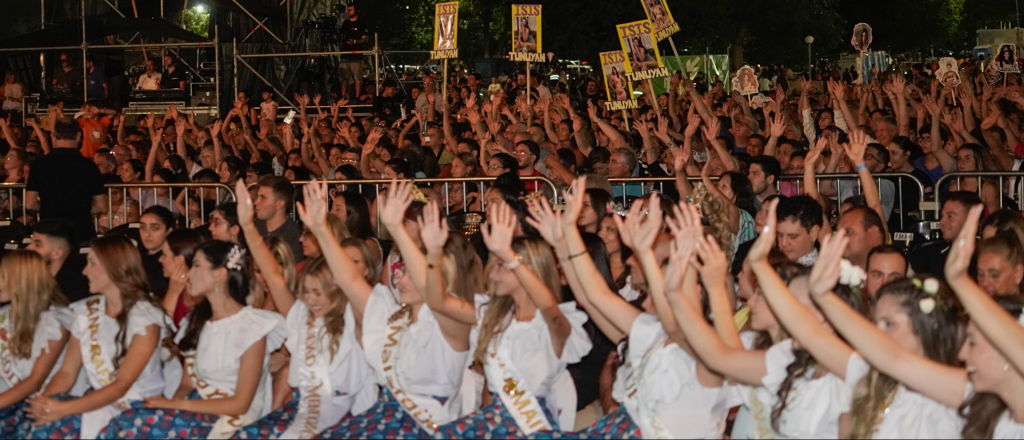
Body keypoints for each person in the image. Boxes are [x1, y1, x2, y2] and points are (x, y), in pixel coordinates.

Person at [302, 180, 468, 439]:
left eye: (409, 275)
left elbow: (434, 295)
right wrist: (321, 230)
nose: (399, 281)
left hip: (426, 428)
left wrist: (395, 229)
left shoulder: (450, 323)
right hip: (383, 418)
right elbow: (350, 280)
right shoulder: (393, 317)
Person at [100, 241, 286, 439]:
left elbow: (240, 403)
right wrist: (169, 408)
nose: (189, 274)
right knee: (129, 418)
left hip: (233, 420)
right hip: (195, 407)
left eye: (197, 266)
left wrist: (175, 406)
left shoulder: (252, 326)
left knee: (136, 426)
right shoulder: (196, 321)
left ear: (220, 274)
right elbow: (187, 384)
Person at [27, 236, 169, 439]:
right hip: (96, 401)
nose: (85, 271)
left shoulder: (145, 317)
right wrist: (45, 404)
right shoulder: (86, 312)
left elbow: (122, 385)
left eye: (92, 264)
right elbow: (67, 372)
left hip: (138, 408)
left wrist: (65, 409)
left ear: (115, 268)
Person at [0, 251, 72, 439]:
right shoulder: (4, 315)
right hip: (12, 401)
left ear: (22, 280)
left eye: (3, 276)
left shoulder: (56, 320)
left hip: (46, 404)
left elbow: (35, 382)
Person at [26, 117, 107, 242]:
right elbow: (101, 206)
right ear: (79, 135)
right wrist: (82, 209)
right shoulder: (88, 166)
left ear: (53, 135)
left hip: (50, 229)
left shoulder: (40, 165)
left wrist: (47, 208)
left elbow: (30, 203)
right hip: (81, 229)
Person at [908, 191, 983, 277]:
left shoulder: (987, 256)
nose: (942, 222)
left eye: (950, 216)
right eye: (942, 216)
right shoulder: (927, 256)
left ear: (972, 219)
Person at [26, 220, 91, 304]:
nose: (28, 248)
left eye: (37, 244)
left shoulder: (72, 291)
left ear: (57, 253)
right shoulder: (32, 281)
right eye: (31, 242)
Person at [253, 175, 305, 263]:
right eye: (257, 197)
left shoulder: (294, 237)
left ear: (279, 204)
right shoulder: (254, 228)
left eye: (263, 198)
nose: (256, 202)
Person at [775, 195, 823, 265]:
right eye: (780, 235)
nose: (784, 243)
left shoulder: (820, 271)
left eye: (793, 237)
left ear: (813, 233)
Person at [339, 4, 368, 101]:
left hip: (356, 55)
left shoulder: (361, 24)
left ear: (356, 11)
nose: (348, 12)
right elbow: (341, 35)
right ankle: (343, 97)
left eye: (351, 10)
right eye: (348, 10)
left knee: (357, 77)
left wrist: (355, 41)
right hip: (345, 53)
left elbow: (365, 38)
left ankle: (357, 97)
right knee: (344, 78)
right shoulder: (345, 23)